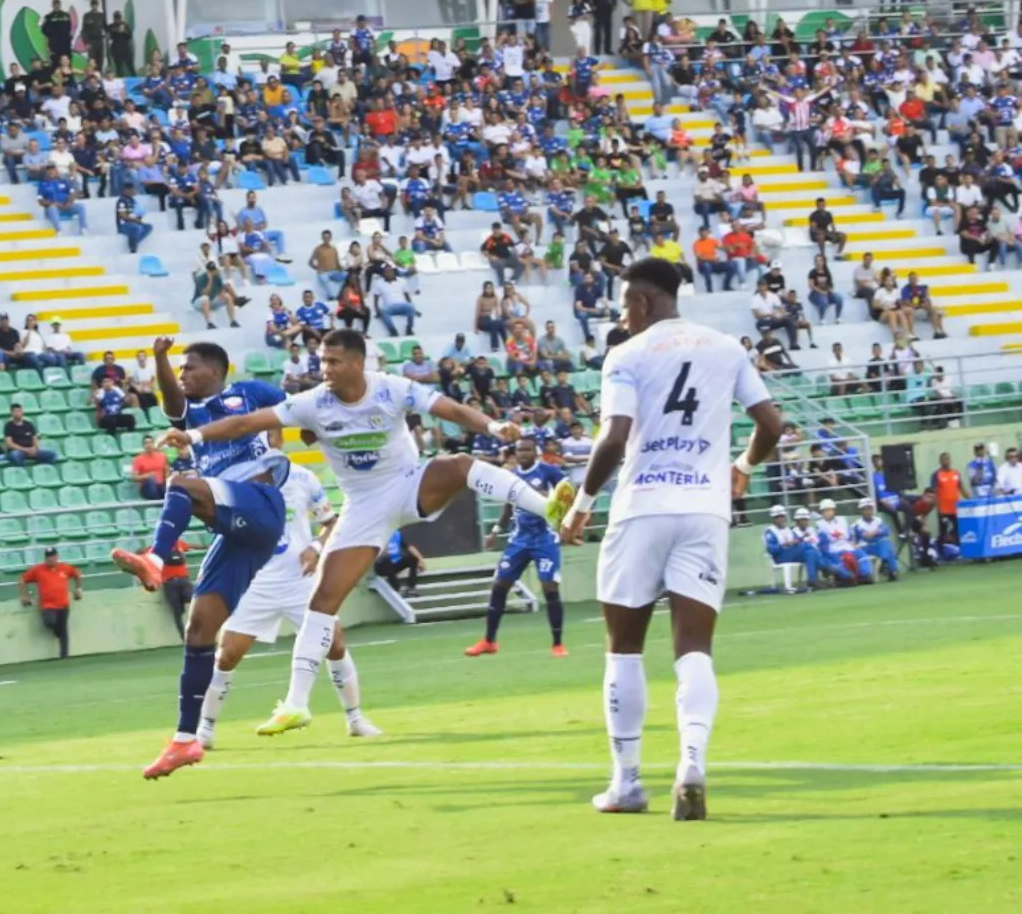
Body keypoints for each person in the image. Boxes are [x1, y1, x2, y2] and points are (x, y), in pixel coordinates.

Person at [161, 329, 567, 741]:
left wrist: (495, 426)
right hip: (363, 507)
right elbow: (248, 422)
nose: (325, 369)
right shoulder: (313, 402)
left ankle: (546, 506)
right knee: (323, 603)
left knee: (461, 464)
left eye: (333, 362)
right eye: (321, 361)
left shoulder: (393, 388)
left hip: (408, 483)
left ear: (358, 363)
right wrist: (194, 436)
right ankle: (296, 704)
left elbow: (452, 410)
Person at [556, 257, 787, 820]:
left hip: (641, 511)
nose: (620, 316)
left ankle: (628, 783)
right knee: (694, 650)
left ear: (640, 301)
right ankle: (692, 763)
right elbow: (772, 425)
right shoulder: (725, 347)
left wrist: (581, 506)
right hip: (704, 512)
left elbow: (613, 439)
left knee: (624, 650)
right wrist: (744, 467)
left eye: (622, 305)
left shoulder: (627, 355)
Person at [106, 335, 292, 779]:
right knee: (200, 629)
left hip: (261, 504)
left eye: (189, 368)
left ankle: (155, 558)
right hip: (235, 525)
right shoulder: (189, 414)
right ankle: (186, 741)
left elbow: (295, 409)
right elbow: (170, 401)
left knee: (183, 481)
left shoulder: (250, 393)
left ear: (215, 369)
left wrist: (280, 444)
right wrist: (160, 358)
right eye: (181, 369)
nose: (183, 376)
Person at [196, 465, 381, 748]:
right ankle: (205, 730)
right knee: (227, 654)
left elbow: (331, 523)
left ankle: (355, 719)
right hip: (256, 582)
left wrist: (317, 548)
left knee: (335, 643)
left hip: (300, 580)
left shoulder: (303, 477)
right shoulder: (237, 476)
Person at [465, 437, 570, 658]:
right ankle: (489, 641)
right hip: (519, 538)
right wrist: (495, 530)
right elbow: (507, 506)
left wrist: (561, 513)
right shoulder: (512, 476)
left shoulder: (548, 471)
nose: (523, 453)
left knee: (549, 586)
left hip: (544, 537)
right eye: (520, 450)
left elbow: (569, 492)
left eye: (527, 450)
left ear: (535, 452)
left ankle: (558, 644)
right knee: (500, 584)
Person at [18, 547, 82, 659]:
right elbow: (23, 580)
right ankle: (57, 632)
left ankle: (64, 656)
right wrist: (25, 595)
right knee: (50, 622)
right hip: (48, 605)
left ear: (57, 557)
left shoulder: (65, 568)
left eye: (53, 556)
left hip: (63, 604)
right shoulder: (38, 570)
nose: (51, 559)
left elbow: (77, 575)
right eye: (48, 557)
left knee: (64, 631)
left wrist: (78, 588)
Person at [930, 452, 963, 545]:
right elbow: (934, 493)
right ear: (940, 461)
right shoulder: (936, 474)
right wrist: (938, 508)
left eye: (948, 459)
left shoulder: (956, 473)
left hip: (955, 508)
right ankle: (941, 551)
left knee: (958, 528)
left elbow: (961, 488)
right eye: (944, 459)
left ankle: (956, 547)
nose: (946, 461)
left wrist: (971, 500)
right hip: (944, 509)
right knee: (943, 531)